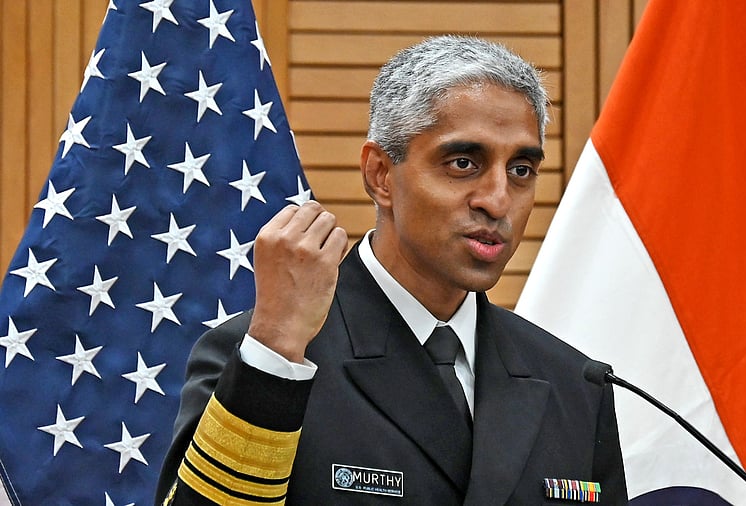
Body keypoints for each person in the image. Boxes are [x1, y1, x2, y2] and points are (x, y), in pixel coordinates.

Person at [157, 35, 627, 505]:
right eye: (463, 163)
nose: (498, 200)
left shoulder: (576, 384)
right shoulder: (271, 359)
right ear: (380, 174)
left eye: (521, 170)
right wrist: (276, 350)